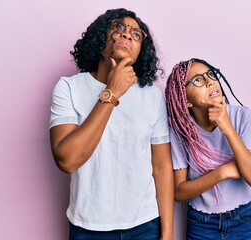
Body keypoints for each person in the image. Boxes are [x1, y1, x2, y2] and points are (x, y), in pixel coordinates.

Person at [49, 8, 173, 240]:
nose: (127, 35)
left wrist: (167, 234)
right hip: (88, 227)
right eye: (118, 27)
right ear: (100, 36)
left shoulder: (152, 96)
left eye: (137, 35)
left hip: (145, 225)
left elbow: (162, 167)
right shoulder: (68, 88)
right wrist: (112, 92)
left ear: (140, 51)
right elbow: (66, 160)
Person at [165, 58, 251, 240]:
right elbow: (179, 192)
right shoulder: (181, 130)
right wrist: (223, 172)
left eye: (211, 74)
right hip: (201, 224)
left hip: (241, 220)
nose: (210, 81)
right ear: (185, 99)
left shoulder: (241, 116)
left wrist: (226, 127)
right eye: (198, 80)